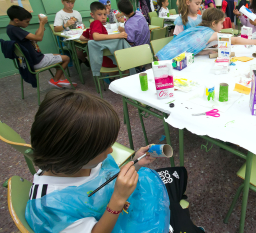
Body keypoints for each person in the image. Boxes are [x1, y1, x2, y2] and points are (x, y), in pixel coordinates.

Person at [25, 89, 169, 233]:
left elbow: (108, 178)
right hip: (116, 218)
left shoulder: (81, 162)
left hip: (126, 208)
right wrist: (118, 199)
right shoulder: (50, 208)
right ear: (76, 154)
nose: (111, 151)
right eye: (104, 148)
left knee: (179, 175)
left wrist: (136, 162)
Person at [6, 6, 75, 88]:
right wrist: (42, 23)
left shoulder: (11, 29)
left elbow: (34, 38)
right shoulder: (14, 30)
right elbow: (39, 38)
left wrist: (40, 29)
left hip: (32, 59)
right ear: (16, 20)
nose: (28, 23)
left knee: (58, 56)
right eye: (27, 22)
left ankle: (62, 79)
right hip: (36, 61)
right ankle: (55, 80)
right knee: (66, 58)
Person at [156, 8, 256, 60]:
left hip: (162, 55)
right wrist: (255, 41)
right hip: (169, 61)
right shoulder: (210, 33)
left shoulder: (198, 29)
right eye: (221, 23)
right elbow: (234, 40)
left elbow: (190, 47)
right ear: (213, 23)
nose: (222, 27)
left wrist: (205, 51)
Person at [80, 2, 127, 69]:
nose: (103, 17)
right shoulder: (97, 23)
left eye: (105, 14)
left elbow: (81, 37)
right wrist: (117, 36)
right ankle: (111, 78)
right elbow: (96, 37)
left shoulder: (92, 26)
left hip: (99, 59)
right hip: (107, 59)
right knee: (126, 62)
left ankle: (110, 78)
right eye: (99, 14)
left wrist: (91, 39)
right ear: (92, 15)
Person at [53, 0, 88, 66]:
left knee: (92, 44)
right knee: (77, 48)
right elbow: (55, 29)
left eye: (72, 3)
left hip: (79, 35)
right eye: (68, 2)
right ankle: (83, 59)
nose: (70, 5)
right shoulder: (60, 14)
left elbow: (80, 25)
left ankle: (81, 58)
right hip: (68, 39)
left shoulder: (77, 13)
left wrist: (82, 26)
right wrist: (65, 25)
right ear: (62, 2)